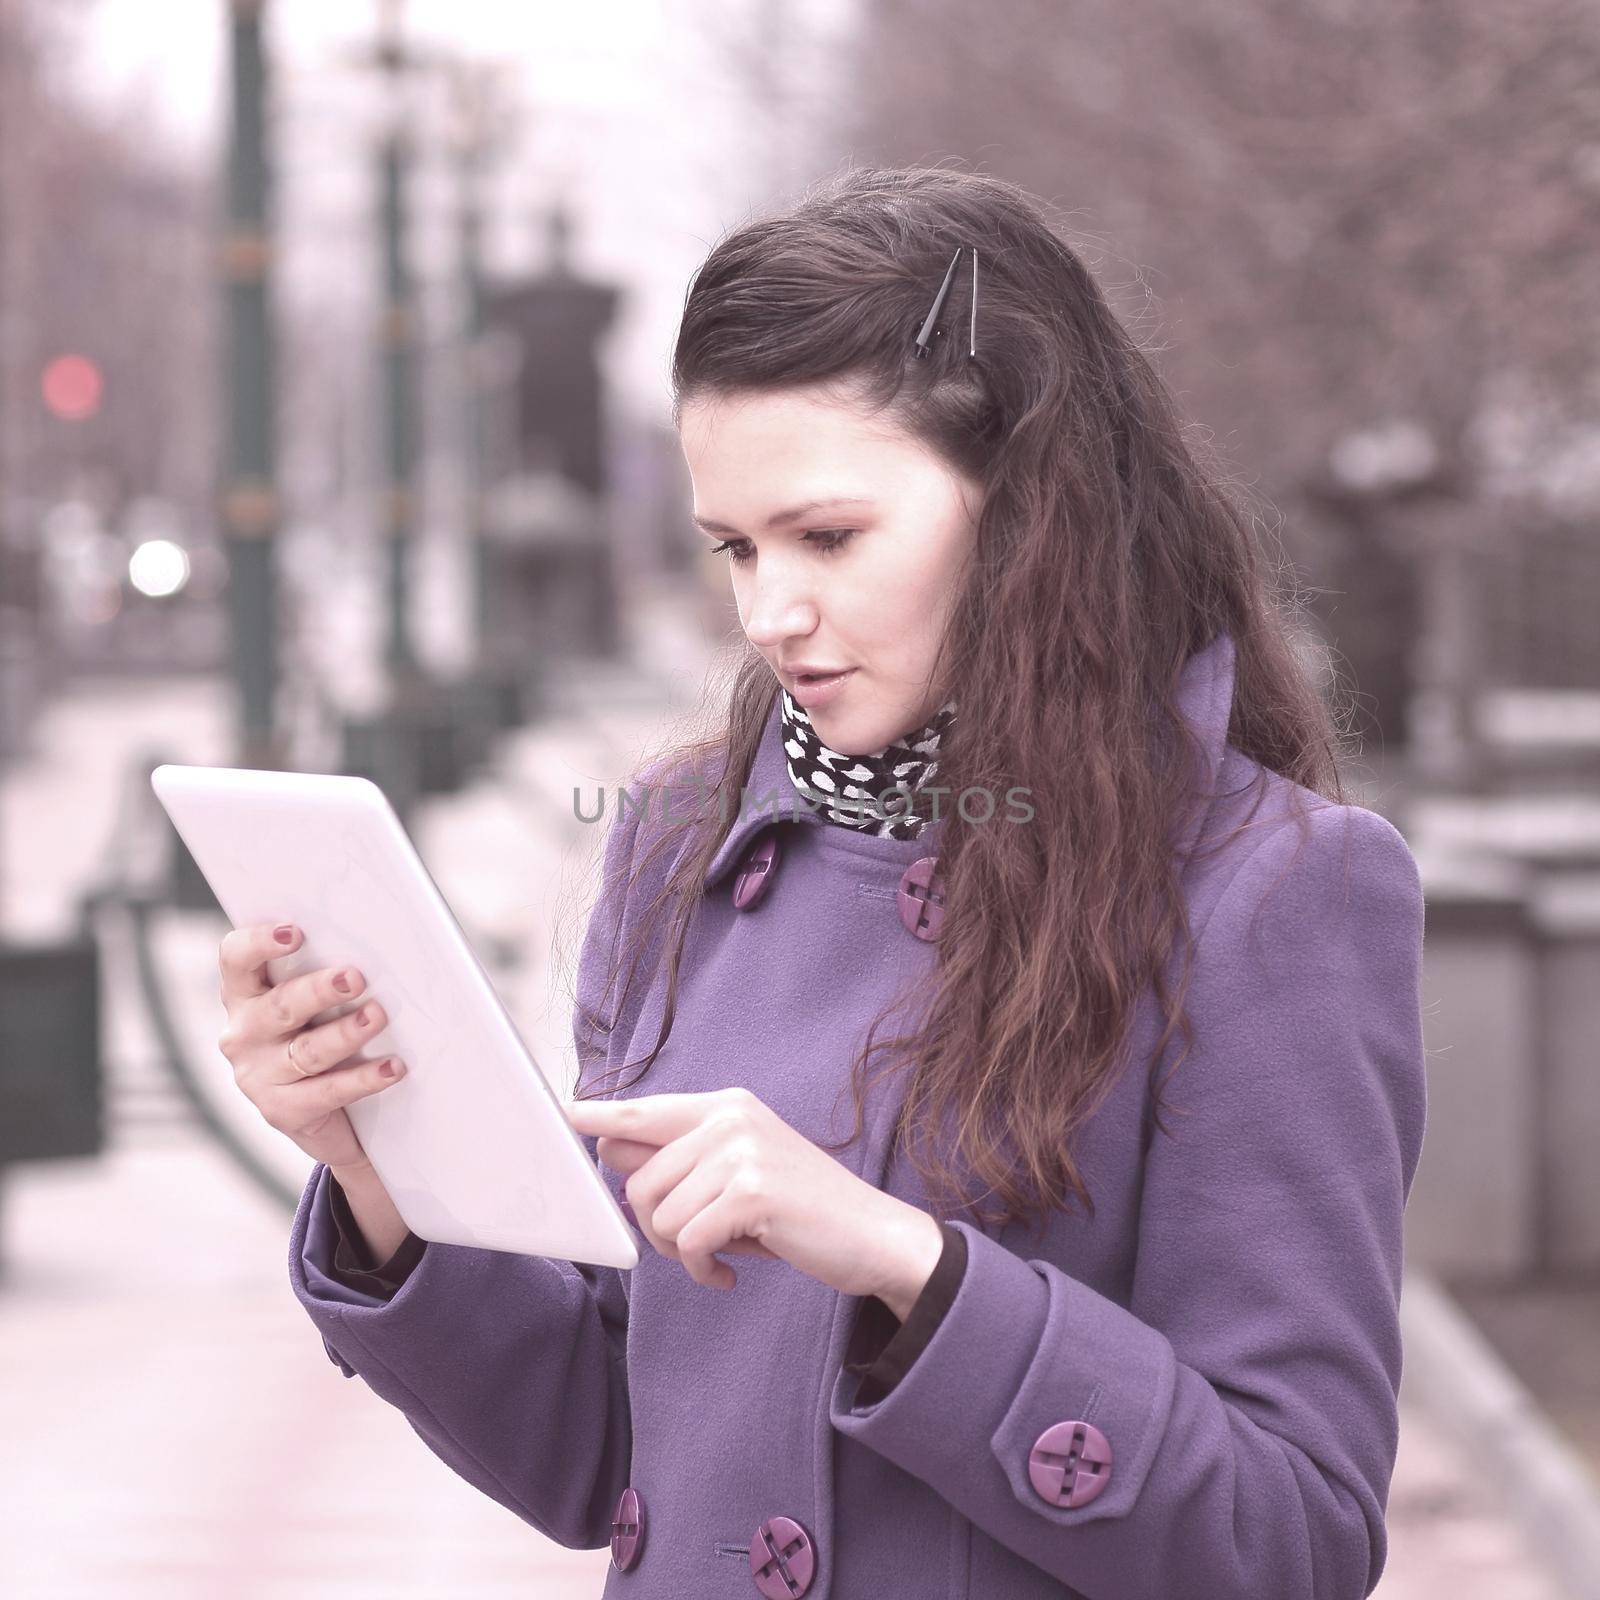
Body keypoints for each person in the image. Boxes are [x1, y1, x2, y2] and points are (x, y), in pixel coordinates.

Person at [217, 165, 1426, 1600]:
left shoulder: (1273, 892)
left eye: (829, 537)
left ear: (1027, 503)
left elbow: (1293, 1539)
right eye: (735, 547)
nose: (769, 614)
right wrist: (379, 1168)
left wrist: (910, 1269)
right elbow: (603, 1451)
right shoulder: (684, 840)